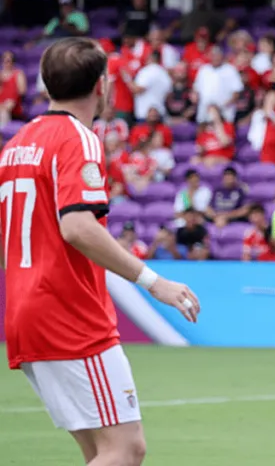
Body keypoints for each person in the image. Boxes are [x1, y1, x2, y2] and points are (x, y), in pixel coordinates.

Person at [1, 37, 199, 466]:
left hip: (26, 311)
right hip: (68, 313)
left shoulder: (17, 143)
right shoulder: (79, 138)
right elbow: (77, 226)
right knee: (126, 449)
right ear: (101, 86)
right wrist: (153, 282)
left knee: (100, 451)